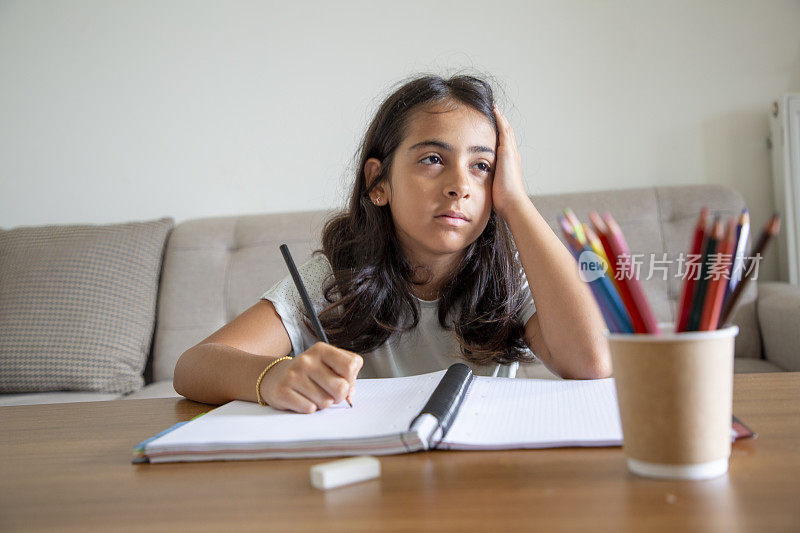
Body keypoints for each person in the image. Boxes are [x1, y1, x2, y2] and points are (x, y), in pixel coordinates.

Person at [173, 74, 611, 412]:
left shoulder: (511, 274)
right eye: (433, 160)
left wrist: (515, 202)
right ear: (378, 182)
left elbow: (591, 362)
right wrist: (273, 377)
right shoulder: (334, 280)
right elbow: (193, 366)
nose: (460, 184)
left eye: (482, 166)